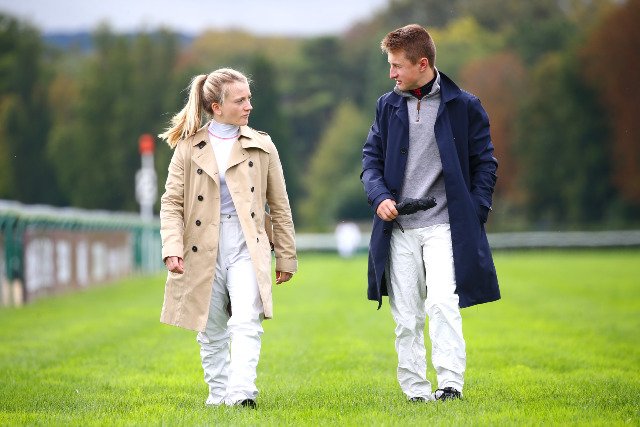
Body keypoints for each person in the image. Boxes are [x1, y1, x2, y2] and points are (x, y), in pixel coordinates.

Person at [361, 24, 500, 402]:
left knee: (442, 303)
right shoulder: (387, 106)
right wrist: (379, 197)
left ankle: (450, 385)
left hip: (445, 226)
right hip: (399, 228)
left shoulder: (465, 106)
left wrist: (475, 211)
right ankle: (416, 392)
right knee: (406, 316)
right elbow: (370, 161)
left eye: (396, 65)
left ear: (422, 64)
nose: (391, 73)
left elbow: (485, 164)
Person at [158, 68, 297, 409]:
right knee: (211, 327)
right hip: (200, 243)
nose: (249, 105)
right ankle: (219, 394)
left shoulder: (262, 145)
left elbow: (279, 205)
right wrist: (172, 247)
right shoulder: (188, 147)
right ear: (217, 107)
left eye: (249, 98)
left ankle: (242, 393)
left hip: (248, 241)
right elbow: (172, 203)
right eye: (240, 100)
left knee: (247, 318)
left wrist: (286, 256)